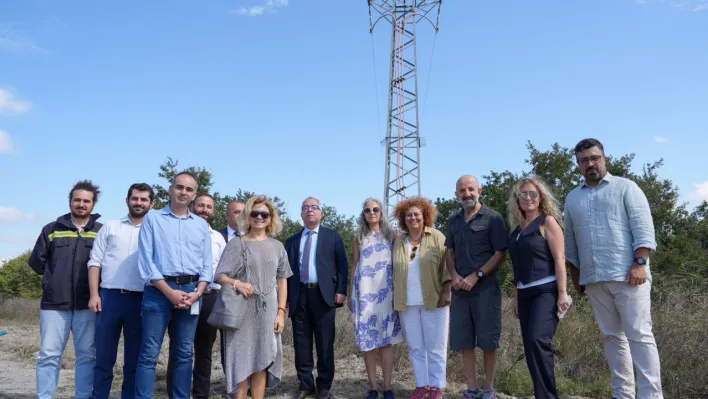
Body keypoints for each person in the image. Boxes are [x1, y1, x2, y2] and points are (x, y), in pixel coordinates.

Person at [564, 138, 663, 399]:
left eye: (594, 157)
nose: (590, 163)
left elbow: (643, 227)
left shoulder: (626, 188)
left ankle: (651, 396)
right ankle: (623, 395)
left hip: (630, 276)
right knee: (612, 338)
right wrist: (577, 278)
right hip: (594, 279)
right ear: (578, 165)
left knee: (640, 336)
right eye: (584, 160)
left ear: (604, 158)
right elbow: (571, 242)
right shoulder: (573, 199)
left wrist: (640, 263)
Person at [134, 171, 213, 399]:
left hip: (191, 293)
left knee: (184, 354)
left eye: (189, 189)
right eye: (179, 187)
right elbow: (146, 261)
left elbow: (207, 265)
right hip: (159, 291)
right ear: (171, 189)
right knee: (149, 354)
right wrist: (169, 292)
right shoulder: (153, 218)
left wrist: (198, 293)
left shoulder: (200, 225)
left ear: (194, 195)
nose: (183, 192)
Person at [29, 180, 103, 399]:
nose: (81, 204)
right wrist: (54, 281)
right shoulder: (51, 230)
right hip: (54, 305)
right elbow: (37, 263)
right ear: (70, 201)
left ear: (93, 204)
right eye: (77, 200)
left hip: (87, 305)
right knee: (49, 356)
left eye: (86, 201)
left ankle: (83, 396)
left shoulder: (101, 231)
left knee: (87, 356)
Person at [214, 195, 292, 399]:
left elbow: (283, 280)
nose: (259, 217)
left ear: (271, 218)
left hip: (268, 312)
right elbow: (219, 275)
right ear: (248, 216)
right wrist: (236, 283)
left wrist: (281, 312)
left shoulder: (277, 246)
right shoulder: (236, 244)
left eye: (264, 214)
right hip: (241, 312)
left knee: (262, 360)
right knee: (240, 362)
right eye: (255, 213)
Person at [88, 183, 154, 399]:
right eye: (135, 198)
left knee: (134, 360)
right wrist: (94, 295)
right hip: (109, 298)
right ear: (127, 200)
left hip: (142, 300)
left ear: (151, 204)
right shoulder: (111, 227)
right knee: (104, 358)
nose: (139, 203)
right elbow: (95, 262)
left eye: (144, 199)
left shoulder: (155, 231)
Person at [507, 177, 571, 399]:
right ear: (517, 200)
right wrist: (515, 297)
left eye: (532, 194)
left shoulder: (547, 222)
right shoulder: (515, 231)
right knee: (531, 349)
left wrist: (563, 293)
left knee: (538, 340)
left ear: (540, 196)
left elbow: (560, 259)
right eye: (522, 195)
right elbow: (517, 268)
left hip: (546, 291)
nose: (528, 198)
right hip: (524, 294)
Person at [445, 175, 508, 399]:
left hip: (486, 289)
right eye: (462, 190)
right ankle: (471, 389)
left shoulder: (493, 218)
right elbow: (449, 251)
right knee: (464, 340)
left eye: (471, 189)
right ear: (457, 195)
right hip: (460, 291)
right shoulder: (454, 221)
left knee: (488, 340)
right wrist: (453, 275)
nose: (467, 194)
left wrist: (477, 275)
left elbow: (500, 253)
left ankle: (488, 388)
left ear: (479, 191)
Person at [285, 197, 349, 399]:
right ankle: (305, 385)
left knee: (324, 342)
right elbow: (285, 272)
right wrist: (285, 298)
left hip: (324, 296)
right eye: (305, 208)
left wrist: (340, 290)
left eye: (314, 207)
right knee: (301, 343)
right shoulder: (292, 241)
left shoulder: (332, 237)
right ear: (301, 214)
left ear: (321, 213)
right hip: (299, 295)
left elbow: (342, 266)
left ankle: (324, 386)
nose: (309, 210)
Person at [166, 193, 227, 399]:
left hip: (210, 297)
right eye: (201, 205)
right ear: (193, 206)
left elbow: (224, 270)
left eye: (208, 207)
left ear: (213, 211)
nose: (204, 210)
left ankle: (200, 394)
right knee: (179, 348)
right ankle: (175, 392)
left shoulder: (218, 238)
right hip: (183, 294)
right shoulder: (179, 230)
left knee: (204, 350)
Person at [391, 197, 451, 399]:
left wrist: (447, 291)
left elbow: (447, 267)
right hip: (406, 302)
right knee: (416, 347)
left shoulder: (437, 236)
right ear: (403, 219)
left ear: (425, 216)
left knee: (436, 346)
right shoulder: (398, 241)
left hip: (434, 300)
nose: (413, 218)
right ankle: (422, 385)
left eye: (417, 214)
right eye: (408, 215)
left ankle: (437, 387)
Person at [348, 198, 403, 399]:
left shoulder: (392, 236)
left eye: (375, 209)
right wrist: (351, 295)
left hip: (386, 294)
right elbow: (355, 264)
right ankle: (372, 387)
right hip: (364, 294)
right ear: (363, 214)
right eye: (367, 210)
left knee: (386, 342)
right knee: (368, 343)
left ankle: (387, 387)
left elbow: (399, 265)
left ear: (381, 212)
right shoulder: (358, 238)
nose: (371, 212)